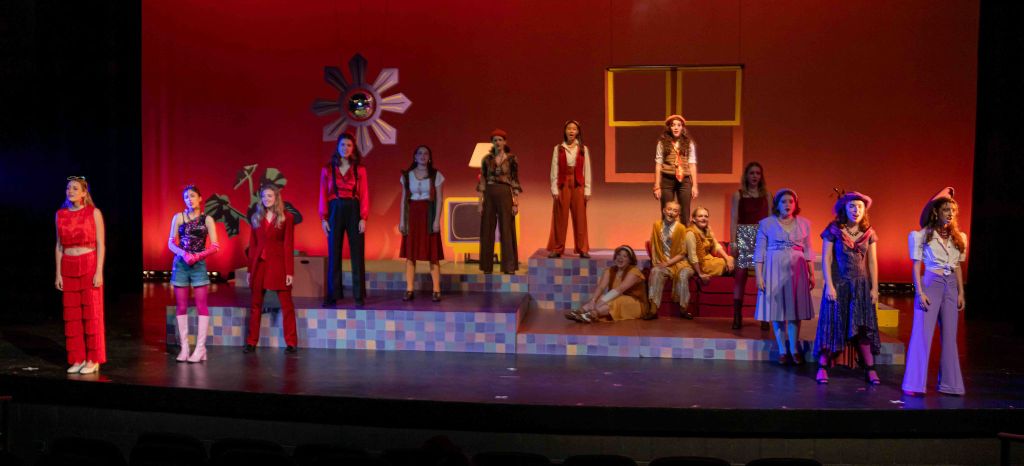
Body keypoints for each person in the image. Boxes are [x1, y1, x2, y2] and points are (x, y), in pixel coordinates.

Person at [902, 187, 967, 396]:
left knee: (950, 337)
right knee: (922, 335)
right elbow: (916, 266)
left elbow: (957, 266)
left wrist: (961, 292)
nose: (950, 213)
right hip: (931, 284)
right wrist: (919, 292)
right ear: (936, 212)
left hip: (951, 286)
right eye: (946, 209)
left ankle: (950, 384)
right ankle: (914, 384)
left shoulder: (959, 237)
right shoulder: (921, 235)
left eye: (953, 210)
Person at [813, 191, 880, 384]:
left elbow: (872, 262)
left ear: (864, 210)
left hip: (860, 286)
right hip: (839, 284)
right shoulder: (833, 230)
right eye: (852, 206)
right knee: (832, 324)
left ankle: (870, 368)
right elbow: (827, 258)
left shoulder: (869, 233)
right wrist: (829, 285)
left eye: (859, 206)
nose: (856, 210)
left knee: (863, 327)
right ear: (844, 208)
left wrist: (874, 288)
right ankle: (822, 367)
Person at [754, 189, 815, 365]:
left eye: (791, 201)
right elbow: (760, 251)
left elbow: (808, 250)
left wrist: (811, 273)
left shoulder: (804, 224)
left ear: (795, 204)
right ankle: (782, 350)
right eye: (783, 201)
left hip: (797, 270)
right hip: (774, 268)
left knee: (795, 310)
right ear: (777, 204)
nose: (787, 204)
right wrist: (759, 276)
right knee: (777, 311)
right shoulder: (766, 224)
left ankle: (794, 349)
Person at [54, 176, 106, 374]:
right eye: (68, 188)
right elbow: (59, 245)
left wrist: (99, 271)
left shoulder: (94, 213)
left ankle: (93, 359)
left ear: (84, 193)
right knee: (72, 316)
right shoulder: (60, 214)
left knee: (92, 315)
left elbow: (101, 243)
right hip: (68, 266)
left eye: (75, 188)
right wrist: (58, 273)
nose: (71, 191)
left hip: (89, 264)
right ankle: (78, 358)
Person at [167, 185, 220, 363]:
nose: (189, 199)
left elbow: (215, 246)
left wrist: (197, 256)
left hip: (199, 265)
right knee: (181, 306)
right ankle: (184, 348)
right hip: (181, 264)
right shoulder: (178, 217)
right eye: (186, 197)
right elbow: (170, 243)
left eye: (192, 196)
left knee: (201, 306)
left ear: (200, 198)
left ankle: (200, 348)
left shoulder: (207, 219)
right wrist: (184, 254)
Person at [246, 184, 297, 354]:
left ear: (276, 197)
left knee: (287, 305)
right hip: (259, 265)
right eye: (263, 196)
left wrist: (289, 271)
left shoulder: (286, 217)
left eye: (269, 196)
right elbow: (252, 246)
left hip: (279, 265)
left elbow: (288, 245)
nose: (266, 199)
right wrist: (249, 270)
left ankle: (291, 342)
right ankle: (251, 342)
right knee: (255, 305)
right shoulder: (256, 218)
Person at [319, 133, 368, 306]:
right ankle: (333, 294)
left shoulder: (359, 169)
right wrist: (323, 218)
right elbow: (323, 194)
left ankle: (358, 295)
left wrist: (363, 217)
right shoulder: (327, 169)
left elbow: (364, 194)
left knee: (357, 253)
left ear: (353, 148)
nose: (345, 148)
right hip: (335, 209)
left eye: (348, 145)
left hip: (354, 209)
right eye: (342, 145)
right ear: (337, 147)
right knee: (334, 252)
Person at [399, 145, 445, 302]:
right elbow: (403, 199)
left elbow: (439, 199)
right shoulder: (407, 176)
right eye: (419, 153)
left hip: (428, 214)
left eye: (426, 153)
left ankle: (436, 290)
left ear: (429, 157)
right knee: (410, 255)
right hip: (412, 215)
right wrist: (402, 221)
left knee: (433, 255)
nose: (423, 156)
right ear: (415, 157)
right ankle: (409, 289)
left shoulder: (436, 175)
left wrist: (436, 220)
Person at [730, 162, 770, 329]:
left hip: (762, 238)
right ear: (746, 175)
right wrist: (733, 242)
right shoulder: (738, 195)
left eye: (758, 173)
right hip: (744, 236)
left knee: (764, 277)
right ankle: (737, 316)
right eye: (752, 173)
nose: (755, 176)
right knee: (740, 276)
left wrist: (770, 241)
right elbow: (734, 219)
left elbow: (770, 220)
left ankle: (765, 316)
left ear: (761, 176)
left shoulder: (767, 195)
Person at [564, 245, 649, 323]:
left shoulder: (634, 272)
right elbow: (601, 287)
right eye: (618, 255)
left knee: (618, 300)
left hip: (635, 303)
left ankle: (592, 314)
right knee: (601, 298)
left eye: (625, 256)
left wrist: (599, 304)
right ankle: (580, 312)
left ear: (630, 260)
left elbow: (620, 289)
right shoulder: (609, 271)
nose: (620, 258)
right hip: (618, 298)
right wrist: (593, 301)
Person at [477, 129, 521, 274]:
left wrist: (515, 203)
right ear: (492, 142)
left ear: (505, 142)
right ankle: (487, 267)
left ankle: (509, 267)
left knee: (506, 229)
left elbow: (514, 180)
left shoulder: (512, 159)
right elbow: (482, 181)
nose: (498, 142)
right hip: (489, 193)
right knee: (487, 229)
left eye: (500, 140)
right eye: (495, 140)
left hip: (505, 193)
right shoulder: (486, 159)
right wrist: (480, 203)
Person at [546, 120, 591, 258]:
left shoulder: (583, 149)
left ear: (578, 132)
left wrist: (587, 189)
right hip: (563, 183)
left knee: (580, 217)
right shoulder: (558, 148)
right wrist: (554, 188)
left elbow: (587, 170)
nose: (571, 131)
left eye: (574, 129)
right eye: (569, 129)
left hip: (578, 184)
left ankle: (582, 248)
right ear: (565, 131)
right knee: (560, 218)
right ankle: (557, 248)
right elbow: (554, 169)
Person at [683, 206, 736, 319]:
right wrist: (700, 273)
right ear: (694, 219)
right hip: (699, 264)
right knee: (731, 265)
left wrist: (727, 258)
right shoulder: (690, 233)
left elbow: (716, 246)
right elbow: (693, 257)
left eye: (706, 216)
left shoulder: (707, 230)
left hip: (709, 260)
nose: (703, 218)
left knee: (731, 260)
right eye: (700, 216)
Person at [647, 201, 692, 319]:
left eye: (675, 211)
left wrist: (667, 263)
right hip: (663, 261)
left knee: (683, 275)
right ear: (664, 210)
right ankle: (653, 309)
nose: (671, 213)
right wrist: (658, 263)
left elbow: (682, 253)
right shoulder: (656, 225)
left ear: (678, 214)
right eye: (669, 209)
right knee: (655, 272)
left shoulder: (681, 228)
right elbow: (654, 246)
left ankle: (683, 309)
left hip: (680, 263)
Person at [653, 115, 699, 225]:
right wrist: (657, 186)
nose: (676, 128)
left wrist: (694, 186)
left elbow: (692, 164)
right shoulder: (662, 143)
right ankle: (667, 235)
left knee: (685, 212)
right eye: (673, 125)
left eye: (678, 125)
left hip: (684, 180)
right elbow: (658, 164)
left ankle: (683, 234)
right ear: (669, 127)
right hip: (667, 180)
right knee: (667, 211)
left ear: (682, 127)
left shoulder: (689, 143)